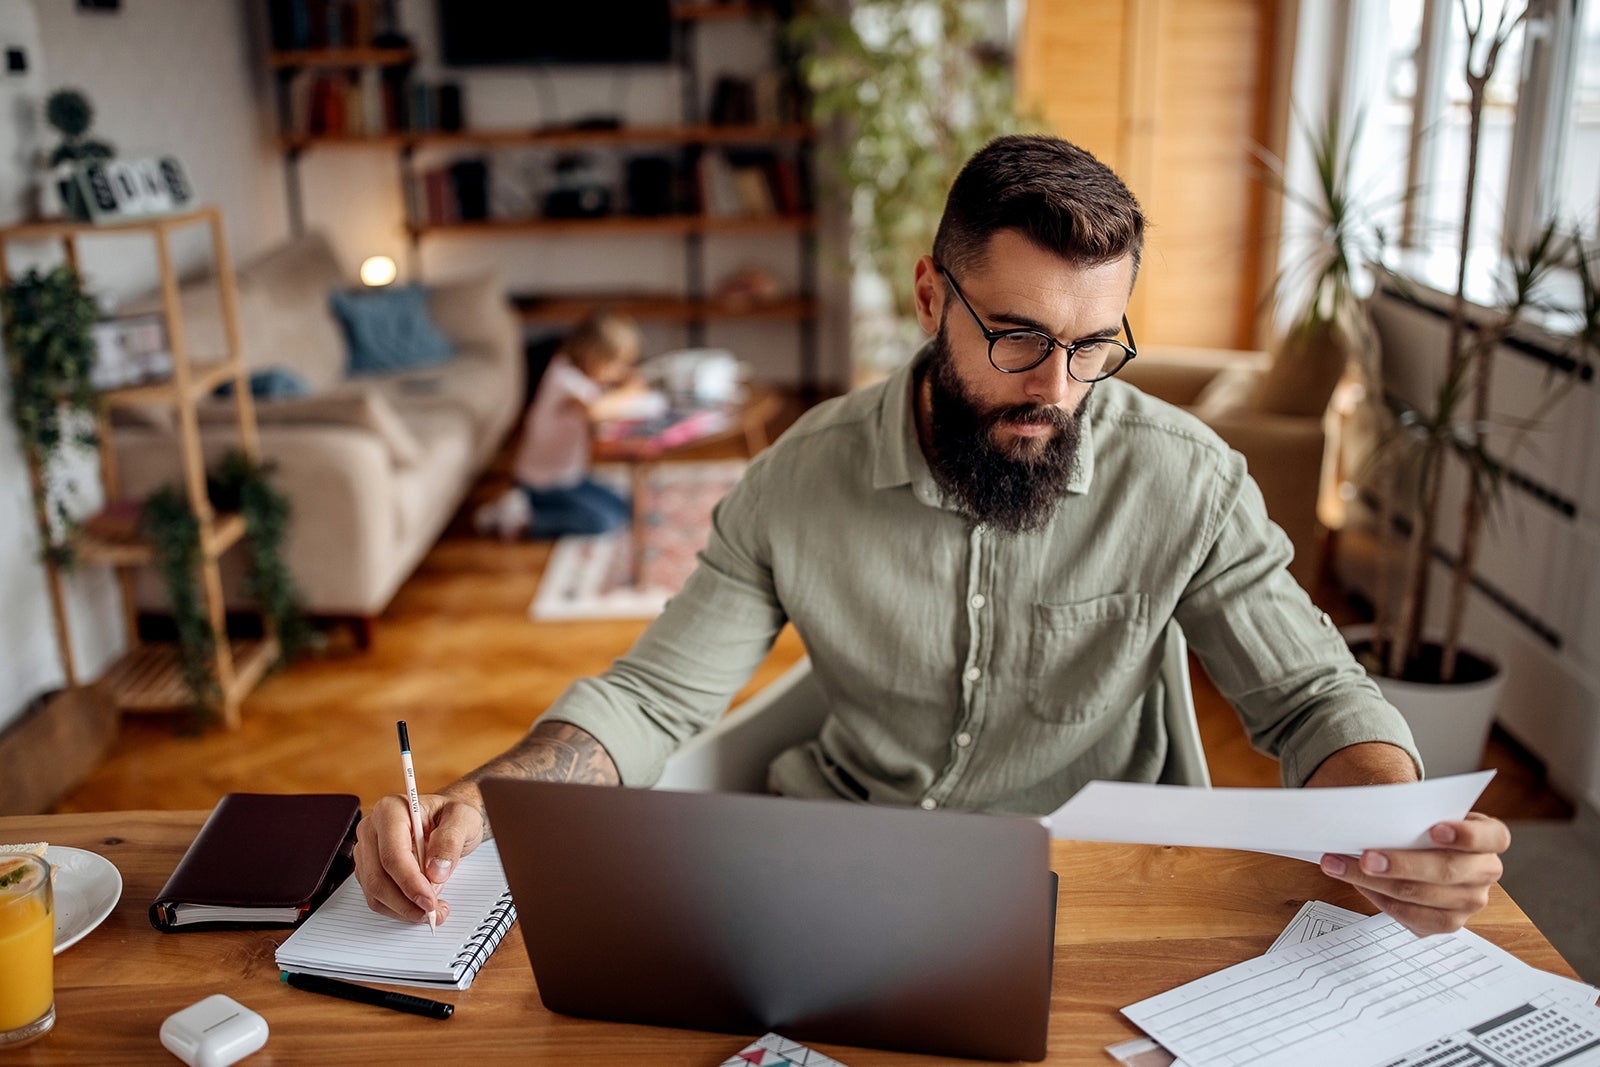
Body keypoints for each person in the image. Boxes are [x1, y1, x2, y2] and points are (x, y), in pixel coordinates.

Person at [358, 135, 1510, 938]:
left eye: (1094, 344)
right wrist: (484, 794)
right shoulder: (797, 478)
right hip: (833, 880)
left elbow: (1313, 700)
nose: (1057, 387)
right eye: (1013, 335)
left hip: (1091, 887)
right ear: (928, 296)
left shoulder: (1186, 480)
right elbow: (655, 700)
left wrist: (1404, 828)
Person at [479, 311, 650, 540]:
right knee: (604, 521)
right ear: (593, 356)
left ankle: (527, 505)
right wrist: (630, 391)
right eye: (615, 366)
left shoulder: (577, 374)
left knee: (627, 508)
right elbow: (595, 410)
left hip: (570, 475)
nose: (617, 374)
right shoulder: (564, 379)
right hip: (543, 482)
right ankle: (519, 519)